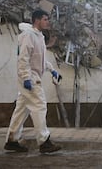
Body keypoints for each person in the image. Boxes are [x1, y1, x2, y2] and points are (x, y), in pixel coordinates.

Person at [4, 10, 62, 153]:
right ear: (36, 20)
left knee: (22, 110)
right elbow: (23, 58)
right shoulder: (28, 35)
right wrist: (25, 78)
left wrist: (51, 69)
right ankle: (44, 141)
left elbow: (40, 58)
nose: (47, 21)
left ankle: (12, 140)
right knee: (39, 106)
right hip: (30, 77)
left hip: (33, 75)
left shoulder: (38, 36)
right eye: (45, 19)